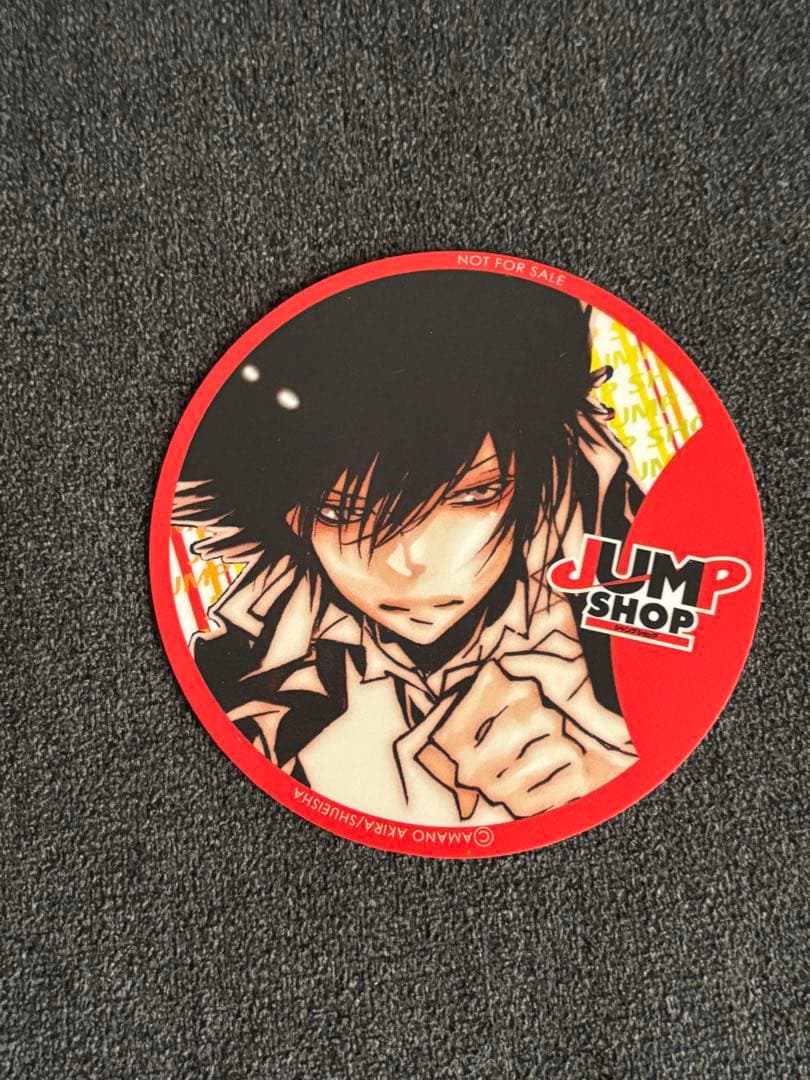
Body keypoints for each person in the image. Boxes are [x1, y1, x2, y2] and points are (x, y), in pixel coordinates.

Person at [174, 270, 641, 826]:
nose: (407, 563)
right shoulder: (245, 682)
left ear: (537, 481)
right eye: (340, 514)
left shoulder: (622, 622)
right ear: (291, 517)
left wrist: (602, 779)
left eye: (474, 496)